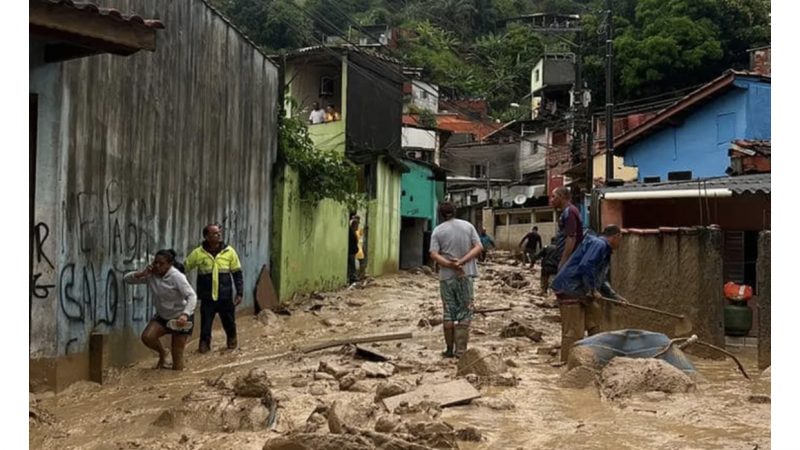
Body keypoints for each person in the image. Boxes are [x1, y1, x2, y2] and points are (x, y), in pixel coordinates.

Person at [551, 225, 628, 362]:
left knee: (595, 322)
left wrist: (614, 297)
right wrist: (591, 290)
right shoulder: (599, 245)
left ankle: (596, 357)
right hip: (570, 289)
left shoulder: (603, 249)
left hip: (581, 290)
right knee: (573, 331)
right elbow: (586, 266)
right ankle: (567, 364)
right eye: (620, 239)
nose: (620, 243)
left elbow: (601, 279)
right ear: (616, 236)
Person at [124, 249, 197, 370]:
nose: (157, 266)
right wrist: (141, 274)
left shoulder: (176, 277)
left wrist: (185, 314)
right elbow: (127, 279)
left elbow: (192, 296)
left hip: (180, 318)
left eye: (161, 263)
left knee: (178, 363)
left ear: (169, 264)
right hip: (162, 317)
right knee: (147, 337)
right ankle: (163, 353)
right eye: (155, 262)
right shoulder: (151, 275)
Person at [429, 202, 483, 358]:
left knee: (448, 313)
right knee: (465, 313)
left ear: (440, 214)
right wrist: (462, 262)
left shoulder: (438, 230)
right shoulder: (468, 226)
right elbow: (478, 247)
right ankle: (461, 352)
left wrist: (449, 264)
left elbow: (433, 253)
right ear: (455, 211)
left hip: (446, 277)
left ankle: (449, 350)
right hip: (465, 275)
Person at [185, 224, 244, 353]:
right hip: (207, 297)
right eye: (215, 233)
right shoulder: (198, 253)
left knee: (229, 323)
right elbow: (185, 267)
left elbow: (237, 273)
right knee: (205, 326)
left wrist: (239, 293)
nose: (218, 235)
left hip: (225, 296)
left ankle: (232, 342)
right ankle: (204, 347)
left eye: (219, 233)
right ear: (207, 236)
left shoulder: (229, 252)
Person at [550, 187, 584, 270]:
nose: (551, 200)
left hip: (571, 258)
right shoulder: (566, 211)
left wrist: (563, 261)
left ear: (561, 197)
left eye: (553, 196)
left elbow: (571, 238)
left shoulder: (570, 212)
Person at [348, 216, 360, 284]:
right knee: (352, 265)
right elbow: (352, 243)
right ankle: (352, 278)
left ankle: (353, 277)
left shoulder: (353, 232)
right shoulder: (351, 232)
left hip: (352, 252)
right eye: (357, 224)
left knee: (352, 265)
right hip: (351, 252)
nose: (358, 226)